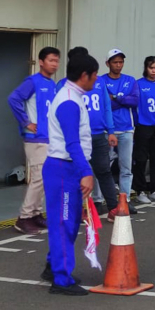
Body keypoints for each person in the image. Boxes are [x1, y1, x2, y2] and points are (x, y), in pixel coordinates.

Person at [40, 54, 98, 296]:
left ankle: (53, 267)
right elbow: (72, 142)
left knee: (70, 222)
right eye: (94, 76)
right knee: (64, 223)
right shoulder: (68, 102)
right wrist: (86, 172)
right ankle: (61, 280)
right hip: (64, 168)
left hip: (67, 167)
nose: (96, 80)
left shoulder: (72, 96)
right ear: (84, 76)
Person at [57, 48, 120, 222]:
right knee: (76, 174)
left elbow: (106, 107)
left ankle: (113, 208)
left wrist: (111, 131)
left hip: (98, 135)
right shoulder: (63, 86)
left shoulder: (98, 83)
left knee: (104, 171)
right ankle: (78, 210)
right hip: (75, 138)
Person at [8, 47, 60, 235]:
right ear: (41, 62)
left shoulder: (52, 84)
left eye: (57, 61)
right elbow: (13, 98)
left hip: (48, 137)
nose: (54, 64)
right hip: (35, 138)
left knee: (45, 177)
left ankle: (36, 213)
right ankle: (24, 217)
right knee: (39, 177)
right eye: (51, 60)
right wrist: (26, 122)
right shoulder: (32, 82)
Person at [100, 49, 139, 211]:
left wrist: (116, 98)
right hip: (106, 130)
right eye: (115, 62)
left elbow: (135, 101)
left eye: (121, 62)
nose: (118, 65)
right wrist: (123, 100)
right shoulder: (101, 81)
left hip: (126, 129)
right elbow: (104, 104)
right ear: (108, 63)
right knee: (103, 167)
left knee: (126, 167)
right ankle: (100, 200)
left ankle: (125, 199)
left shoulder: (130, 80)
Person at [132, 56, 155, 204]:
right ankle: (140, 190)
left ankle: (154, 189)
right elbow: (135, 106)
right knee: (141, 159)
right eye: (151, 68)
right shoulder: (138, 84)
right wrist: (136, 123)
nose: (154, 71)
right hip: (143, 126)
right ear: (146, 68)